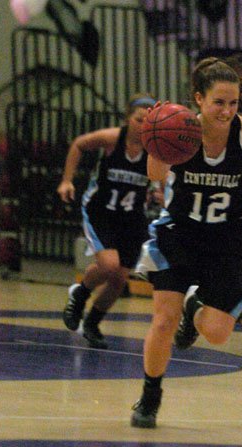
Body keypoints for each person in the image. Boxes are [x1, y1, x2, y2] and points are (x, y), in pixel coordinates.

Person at [130, 56, 242, 429]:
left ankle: (196, 306)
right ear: (198, 99)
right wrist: (155, 135)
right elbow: (155, 174)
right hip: (179, 234)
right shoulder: (181, 132)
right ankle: (150, 395)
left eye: (233, 102)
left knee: (217, 334)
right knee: (162, 321)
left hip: (227, 238)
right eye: (219, 102)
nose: (227, 110)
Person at [57, 93, 158, 349]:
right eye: (138, 120)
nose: (142, 126)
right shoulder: (114, 138)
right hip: (101, 211)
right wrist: (67, 180)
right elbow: (79, 144)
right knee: (109, 264)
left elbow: (162, 181)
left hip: (131, 217)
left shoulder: (155, 149)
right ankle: (80, 295)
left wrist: (160, 193)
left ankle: (92, 322)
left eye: (148, 122)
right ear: (127, 120)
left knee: (119, 279)